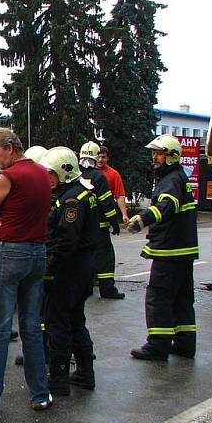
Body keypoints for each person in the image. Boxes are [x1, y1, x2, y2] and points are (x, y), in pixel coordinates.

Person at [0, 128, 53, 413]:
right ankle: (40, 394)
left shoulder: (7, 178)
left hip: (10, 253)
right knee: (31, 327)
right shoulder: (42, 173)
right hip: (37, 253)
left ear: (10, 148)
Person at [127, 134, 198, 361]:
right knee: (182, 298)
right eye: (154, 153)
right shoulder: (178, 177)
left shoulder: (171, 180)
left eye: (158, 153)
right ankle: (185, 344)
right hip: (182, 250)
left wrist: (143, 219)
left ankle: (157, 345)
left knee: (159, 297)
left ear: (172, 156)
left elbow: (166, 205)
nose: (154, 157)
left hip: (169, 251)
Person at [40, 147, 98, 394]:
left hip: (68, 271)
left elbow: (66, 240)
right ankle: (85, 373)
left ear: (64, 172)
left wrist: (49, 269)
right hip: (82, 269)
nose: (48, 178)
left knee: (58, 323)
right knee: (75, 321)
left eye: (50, 173)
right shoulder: (82, 193)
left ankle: (59, 380)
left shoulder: (72, 200)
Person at [79, 141, 124, 299]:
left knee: (85, 257)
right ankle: (107, 289)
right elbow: (107, 203)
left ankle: (86, 287)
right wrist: (114, 223)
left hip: (80, 228)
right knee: (105, 258)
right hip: (98, 227)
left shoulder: (75, 176)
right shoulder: (99, 177)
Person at [97, 146, 130, 224]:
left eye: (103, 157)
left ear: (107, 158)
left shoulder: (114, 174)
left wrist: (124, 215)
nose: (100, 160)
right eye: (98, 157)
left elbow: (120, 195)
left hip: (104, 213)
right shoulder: (86, 172)